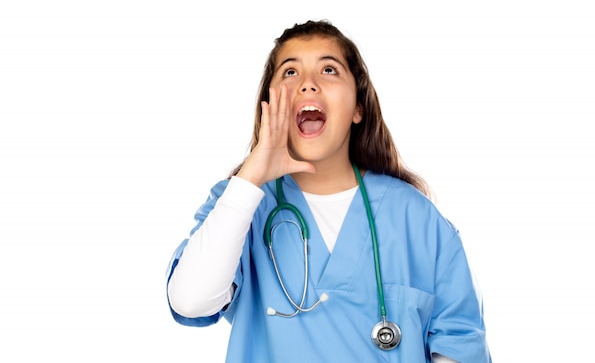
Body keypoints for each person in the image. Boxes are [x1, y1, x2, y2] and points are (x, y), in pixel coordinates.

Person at [166, 20, 491, 362]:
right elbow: (190, 301)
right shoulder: (239, 203)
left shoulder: (417, 218)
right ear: (269, 106)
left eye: (329, 70)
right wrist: (251, 177)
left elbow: (458, 344)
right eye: (290, 73)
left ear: (357, 108)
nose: (308, 84)